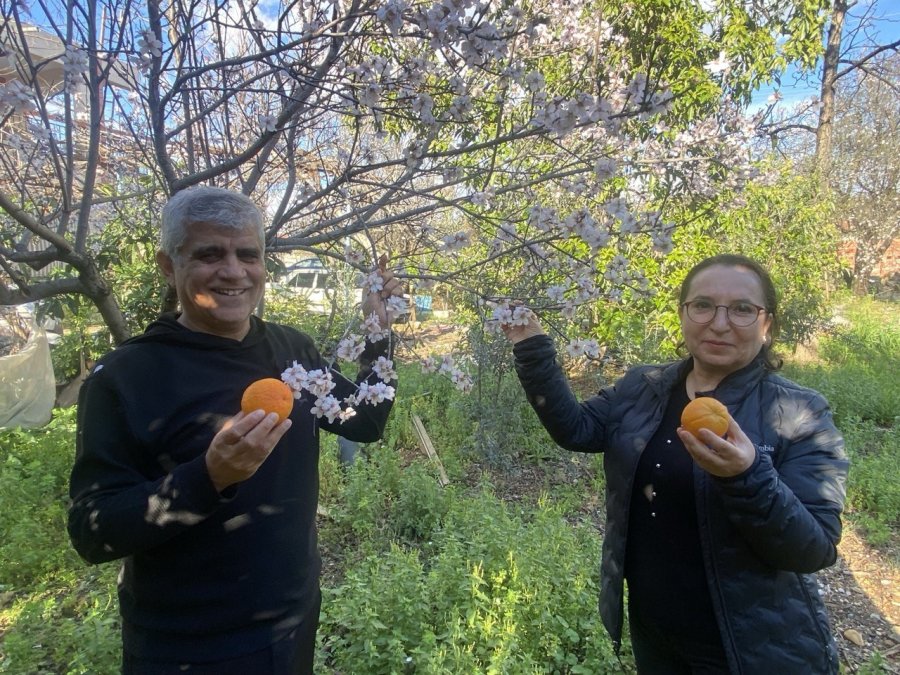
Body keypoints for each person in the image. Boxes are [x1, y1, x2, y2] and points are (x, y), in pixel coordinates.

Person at [67, 185, 402, 674]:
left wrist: (379, 331)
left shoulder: (293, 352)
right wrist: (208, 477)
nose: (233, 271)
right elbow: (91, 533)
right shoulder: (126, 377)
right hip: (189, 647)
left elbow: (366, 422)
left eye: (249, 254)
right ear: (168, 264)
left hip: (292, 621)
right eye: (209, 254)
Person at [502, 254, 848, 674]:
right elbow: (576, 430)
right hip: (656, 634)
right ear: (683, 314)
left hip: (749, 648)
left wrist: (747, 476)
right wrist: (532, 348)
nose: (719, 323)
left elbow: (814, 548)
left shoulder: (799, 412)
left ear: (767, 325)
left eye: (742, 309)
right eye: (702, 305)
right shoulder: (643, 388)